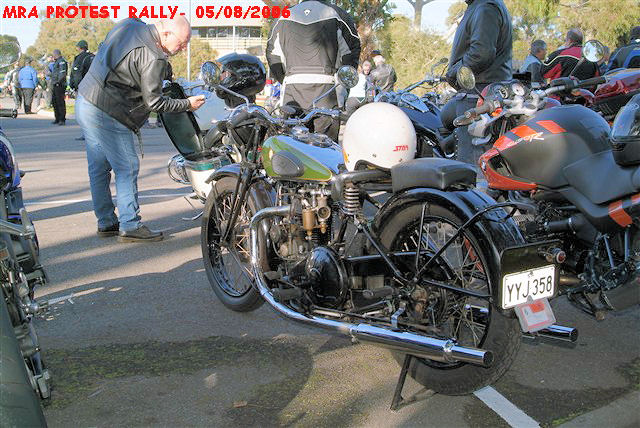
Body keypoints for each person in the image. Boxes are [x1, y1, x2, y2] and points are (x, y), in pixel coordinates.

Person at [77, 17, 205, 242]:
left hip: (86, 99)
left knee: (98, 167)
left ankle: (106, 222)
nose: (184, 48)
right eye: (182, 42)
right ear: (166, 34)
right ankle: (130, 225)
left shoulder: (130, 24)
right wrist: (187, 104)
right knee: (127, 166)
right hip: (108, 111)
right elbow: (154, 103)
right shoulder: (154, 56)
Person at [266, 0, 360, 141]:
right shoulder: (338, 14)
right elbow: (352, 51)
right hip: (327, 91)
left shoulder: (283, 17)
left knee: (294, 146)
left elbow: (272, 54)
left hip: (293, 91)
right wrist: (343, 82)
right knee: (326, 147)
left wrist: (284, 78)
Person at [443, 0, 513, 166]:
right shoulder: (481, 6)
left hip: (478, 93)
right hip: (480, 92)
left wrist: (453, 73)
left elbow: (481, 53)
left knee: (471, 166)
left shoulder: (485, 7)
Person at [50, 49, 68, 125]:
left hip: (60, 84)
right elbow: (55, 73)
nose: (52, 56)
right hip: (55, 84)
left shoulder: (62, 61)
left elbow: (62, 73)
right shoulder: (56, 62)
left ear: (56, 54)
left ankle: (62, 119)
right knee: (54, 102)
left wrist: (58, 82)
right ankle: (57, 118)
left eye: (53, 54)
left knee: (60, 102)